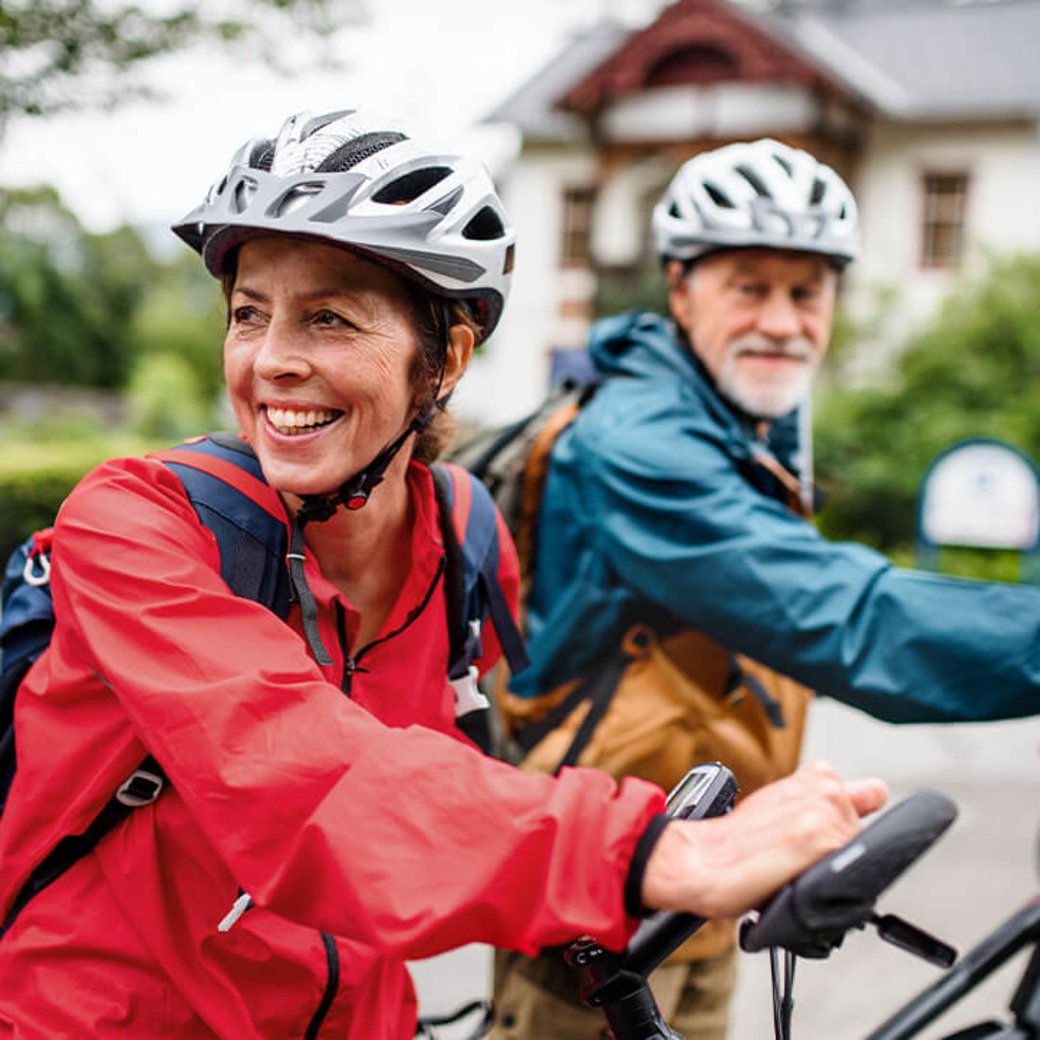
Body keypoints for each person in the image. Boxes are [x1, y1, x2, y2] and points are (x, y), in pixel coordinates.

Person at [0, 111, 888, 1039]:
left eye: (329, 319)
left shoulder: (464, 533)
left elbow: (490, 755)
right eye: (249, 312)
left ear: (447, 359)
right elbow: (297, 772)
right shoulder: (132, 524)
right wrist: (647, 853)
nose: (271, 361)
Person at [490, 138, 1040, 1040]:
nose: (783, 321)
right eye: (749, 286)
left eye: (806, 291)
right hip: (595, 925)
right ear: (680, 289)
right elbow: (852, 622)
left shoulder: (740, 424)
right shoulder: (640, 449)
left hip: (695, 908)